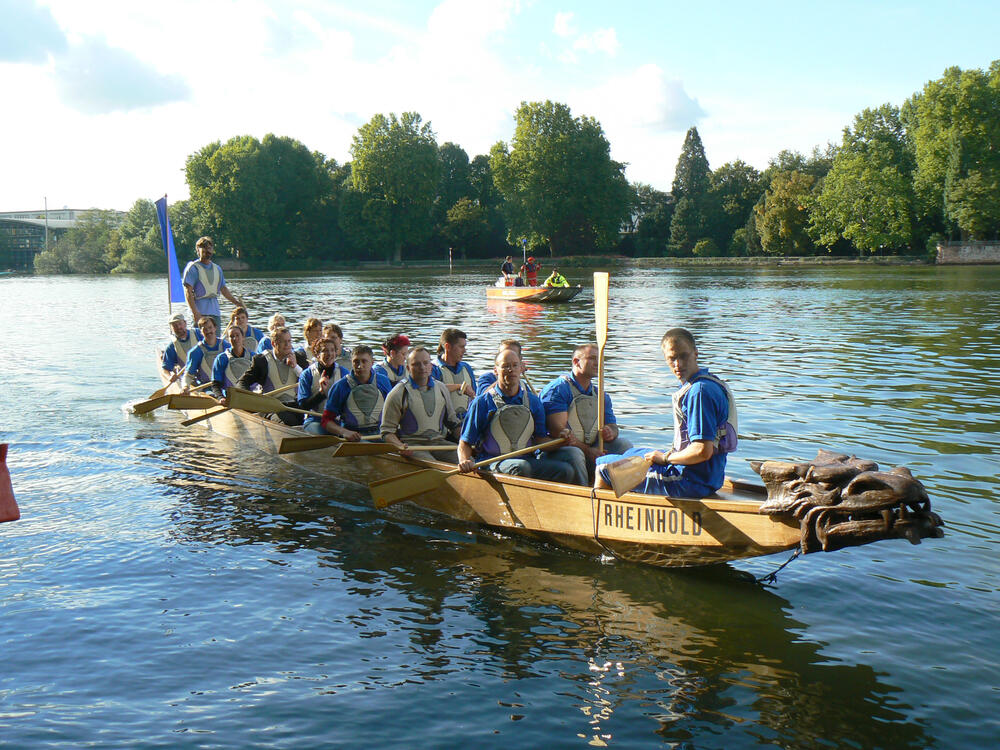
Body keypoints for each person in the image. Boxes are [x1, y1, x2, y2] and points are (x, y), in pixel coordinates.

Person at [595, 328, 738, 499]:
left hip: (688, 481)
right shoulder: (709, 383)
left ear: (695, 353)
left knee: (602, 466)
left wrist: (665, 458)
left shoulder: (699, 392)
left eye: (683, 356)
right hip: (711, 477)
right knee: (632, 453)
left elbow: (702, 451)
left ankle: (595, 514)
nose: (678, 364)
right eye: (672, 358)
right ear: (665, 358)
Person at [457, 348, 574, 482]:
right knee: (521, 467)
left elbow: (540, 440)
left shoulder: (533, 402)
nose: (511, 370)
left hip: (527, 461)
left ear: (520, 368)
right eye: (505, 366)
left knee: (566, 470)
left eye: (515, 365)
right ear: (496, 370)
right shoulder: (482, 402)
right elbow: (465, 443)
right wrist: (464, 461)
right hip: (491, 463)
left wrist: (561, 441)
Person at [541, 344, 633, 486]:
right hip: (559, 452)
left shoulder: (600, 395)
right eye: (592, 358)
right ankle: (584, 492)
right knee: (575, 453)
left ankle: (624, 489)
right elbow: (557, 432)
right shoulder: (558, 389)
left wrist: (611, 432)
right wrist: (588, 450)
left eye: (600, 359)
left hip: (591, 449)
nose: (598, 363)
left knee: (624, 445)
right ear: (576, 362)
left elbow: (613, 425)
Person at [380, 346, 461, 462]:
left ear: (431, 366)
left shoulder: (441, 388)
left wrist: (468, 442)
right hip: (412, 446)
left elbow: (453, 423)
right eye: (416, 364)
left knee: (468, 461)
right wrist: (399, 446)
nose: (422, 367)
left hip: (439, 443)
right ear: (408, 368)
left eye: (425, 363)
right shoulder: (398, 393)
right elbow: (387, 432)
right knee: (432, 464)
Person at [232, 326, 309, 425]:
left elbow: (308, 382)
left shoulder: (299, 358)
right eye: (283, 342)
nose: (287, 345)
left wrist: (295, 366)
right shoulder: (261, 360)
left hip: (296, 407)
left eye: (289, 341)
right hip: (272, 408)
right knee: (288, 422)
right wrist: (249, 399)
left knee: (300, 420)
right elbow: (242, 382)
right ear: (273, 344)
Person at [321, 345, 393, 440]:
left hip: (380, 434)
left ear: (372, 362)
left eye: (364, 361)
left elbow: (394, 411)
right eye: (356, 362)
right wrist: (344, 432)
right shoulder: (340, 386)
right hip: (353, 437)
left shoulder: (383, 381)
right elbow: (326, 421)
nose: (360, 366)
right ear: (351, 362)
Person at [182, 236, 243, 331]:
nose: (207, 251)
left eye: (209, 248)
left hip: (215, 313)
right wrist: (195, 312)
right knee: (199, 338)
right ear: (198, 250)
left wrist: (237, 303)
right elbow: (188, 292)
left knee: (216, 338)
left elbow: (223, 289)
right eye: (204, 248)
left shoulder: (217, 269)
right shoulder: (193, 268)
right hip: (199, 313)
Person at [298, 337, 350, 434]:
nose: (329, 354)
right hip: (315, 420)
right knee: (326, 433)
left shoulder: (344, 373)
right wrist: (321, 393)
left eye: (332, 350)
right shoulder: (307, 374)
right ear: (317, 354)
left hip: (338, 421)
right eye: (325, 351)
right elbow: (303, 406)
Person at [431, 328, 476, 419]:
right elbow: (431, 391)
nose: (464, 351)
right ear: (447, 347)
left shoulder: (466, 368)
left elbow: (475, 395)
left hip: (465, 421)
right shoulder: (433, 368)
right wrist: (459, 387)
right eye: (461, 347)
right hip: (443, 422)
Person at [210, 323, 254, 400]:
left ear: (243, 337)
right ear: (228, 340)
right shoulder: (221, 358)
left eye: (237, 335)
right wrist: (220, 397)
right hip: (230, 398)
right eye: (231, 336)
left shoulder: (254, 357)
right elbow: (215, 384)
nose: (235, 338)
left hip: (252, 397)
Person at [183, 317, 229, 387]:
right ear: (201, 332)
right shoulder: (195, 352)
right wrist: (185, 386)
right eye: (205, 329)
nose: (208, 331)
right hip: (207, 388)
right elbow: (188, 375)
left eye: (210, 327)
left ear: (215, 328)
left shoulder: (227, 346)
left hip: (227, 387)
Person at [161, 312, 202, 383]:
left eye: (180, 324)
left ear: (185, 323)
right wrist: (169, 377)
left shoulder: (198, 333)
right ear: (171, 328)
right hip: (188, 379)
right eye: (174, 325)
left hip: (206, 375)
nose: (178, 327)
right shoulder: (171, 347)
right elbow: (165, 369)